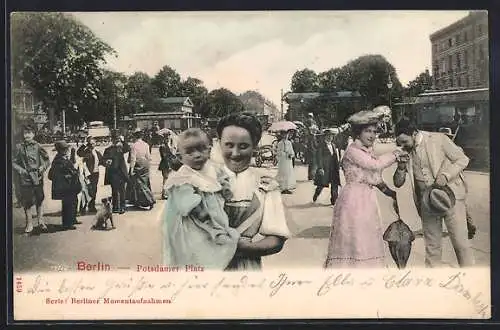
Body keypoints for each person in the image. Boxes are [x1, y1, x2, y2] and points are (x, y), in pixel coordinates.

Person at [324, 110, 407, 268]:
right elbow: (374, 165)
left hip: (367, 200)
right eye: (367, 131)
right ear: (358, 133)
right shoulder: (352, 151)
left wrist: (392, 193)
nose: (372, 135)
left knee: (367, 237)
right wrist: (395, 155)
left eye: (374, 131)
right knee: (355, 239)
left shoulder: (366, 152)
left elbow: (374, 178)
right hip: (353, 200)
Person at [392, 118, 474, 267]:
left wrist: (446, 175)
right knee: (432, 247)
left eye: (405, 141)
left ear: (414, 133)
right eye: (399, 143)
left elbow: (462, 159)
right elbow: (397, 183)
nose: (402, 146)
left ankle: (469, 277)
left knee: (460, 243)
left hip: (451, 197)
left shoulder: (438, 139)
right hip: (426, 203)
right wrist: (401, 167)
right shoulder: (405, 153)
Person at [217, 113, 291, 270]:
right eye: (229, 145)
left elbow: (276, 239)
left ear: (255, 146)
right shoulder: (203, 182)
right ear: (219, 144)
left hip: (246, 267)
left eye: (243, 146)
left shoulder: (265, 185)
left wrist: (242, 249)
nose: (235, 153)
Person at [162, 128, 240, 269]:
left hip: (215, 213)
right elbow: (187, 204)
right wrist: (210, 224)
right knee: (198, 247)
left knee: (220, 230)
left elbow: (221, 177)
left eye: (201, 150)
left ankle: (218, 235)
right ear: (180, 157)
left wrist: (225, 188)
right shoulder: (183, 177)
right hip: (194, 221)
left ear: (209, 151)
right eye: (190, 152)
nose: (196, 155)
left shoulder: (212, 168)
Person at [12, 124, 51, 233]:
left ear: (33, 134)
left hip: (37, 177)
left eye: (29, 133)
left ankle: (40, 221)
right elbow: (14, 163)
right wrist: (21, 171)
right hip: (25, 179)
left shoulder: (38, 146)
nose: (27, 135)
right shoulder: (20, 147)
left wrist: (43, 167)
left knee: (39, 199)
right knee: (27, 201)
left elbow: (47, 160)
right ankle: (29, 224)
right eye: (25, 133)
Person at [48, 141, 81, 230]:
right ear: (61, 150)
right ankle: (67, 223)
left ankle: (73, 219)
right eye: (66, 149)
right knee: (67, 204)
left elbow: (71, 165)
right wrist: (68, 175)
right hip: (65, 186)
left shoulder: (64, 158)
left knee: (73, 202)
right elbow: (54, 174)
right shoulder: (58, 160)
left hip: (70, 185)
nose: (67, 150)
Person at [127, 129, 155, 209]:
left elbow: (133, 158)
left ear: (135, 136)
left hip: (138, 164)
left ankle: (150, 200)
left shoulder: (134, 146)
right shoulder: (146, 144)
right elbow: (149, 157)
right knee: (145, 183)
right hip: (145, 164)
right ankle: (138, 201)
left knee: (140, 184)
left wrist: (131, 169)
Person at [103, 134, 130, 214]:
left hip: (121, 172)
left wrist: (123, 140)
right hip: (113, 173)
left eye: (117, 139)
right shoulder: (108, 149)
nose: (116, 141)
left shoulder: (121, 148)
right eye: (115, 139)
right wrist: (106, 162)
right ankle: (115, 207)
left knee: (122, 190)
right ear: (112, 140)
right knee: (114, 190)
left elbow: (128, 148)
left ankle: (122, 207)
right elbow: (103, 160)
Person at [313, 129, 341, 206]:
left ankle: (334, 201)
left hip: (333, 168)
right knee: (321, 184)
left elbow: (336, 156)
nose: (329, 137)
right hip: (325, 168)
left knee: (334, 184)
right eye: (328, 136)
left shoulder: (333, 145)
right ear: (324, 137)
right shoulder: (321, 145)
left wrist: (338, 165)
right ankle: (316, 194)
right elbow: (319, 157)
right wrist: (320, 168)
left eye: (331, 136)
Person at [77, 136, 103, 213]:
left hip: (96, 174)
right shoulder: (85, 152)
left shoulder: (97, 152)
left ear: (95, 144)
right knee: (85, 190)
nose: (92, 145)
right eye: (90, 143)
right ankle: (83, 208)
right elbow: (78, 153)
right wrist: (85, 144)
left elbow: (102, 161)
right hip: (87, 174)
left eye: (93, 143)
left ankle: (92, 206)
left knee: (94, 190)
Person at [70, 148, 90, 218]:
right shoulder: (79, 160)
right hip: (78, 179)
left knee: (81, 195)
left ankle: (79, 209)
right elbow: (83, 171)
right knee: (81, 195)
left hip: (77, 179)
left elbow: (84, 170)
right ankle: (78, 210)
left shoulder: (76, 160)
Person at [276, 130, 296, 194]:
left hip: (288, 160)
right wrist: (284, 153)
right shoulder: (280, 143)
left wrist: (291, 154)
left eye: (286, 135)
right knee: (283, 173)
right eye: (284, 135)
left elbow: (292, 151)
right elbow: (278, 153)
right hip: (282, 161)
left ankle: (287, 187)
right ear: (282, 135)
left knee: (288, 173)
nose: (285, 136)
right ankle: (283, 187)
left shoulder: (289, 143)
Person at [158, 134, 174, 199]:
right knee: (165, 179)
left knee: (167, 179)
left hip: (168, 164)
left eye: (168, 138)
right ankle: (164, 194)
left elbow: (171, 155)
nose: (167, 140)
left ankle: (166, 193)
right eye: (166, 138)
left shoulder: (167, 146)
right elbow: (165, 157)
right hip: (165, 164)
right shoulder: (163, 147)